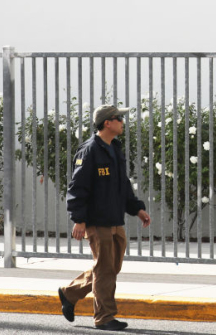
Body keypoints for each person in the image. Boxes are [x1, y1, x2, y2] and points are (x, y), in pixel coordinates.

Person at [58, 104, 152, 331]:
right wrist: (79, 219)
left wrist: (136, 208)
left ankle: (69, 293)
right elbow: (77, 187)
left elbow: (123, 185)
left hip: (114, 218)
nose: (122, 122)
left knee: (110, 267)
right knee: (105, 269)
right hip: (96, 220)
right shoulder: (89, 151)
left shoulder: (114, 148)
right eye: (118, 118)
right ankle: (104, 317)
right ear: (107, 123)